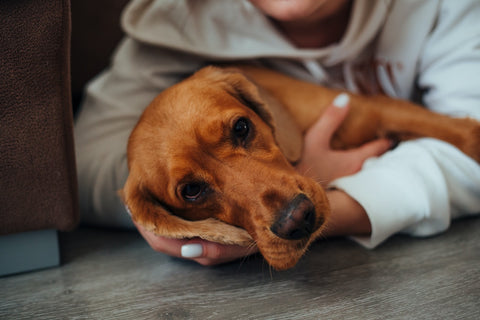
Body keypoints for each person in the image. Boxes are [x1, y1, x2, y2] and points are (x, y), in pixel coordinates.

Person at [74, 0, 480, 266]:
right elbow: (74, 169)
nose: (287, 212)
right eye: (192, 191)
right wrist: (172, 225)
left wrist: (338, 200)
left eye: (240, 130)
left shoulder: (448, 8)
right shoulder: (173, 25)